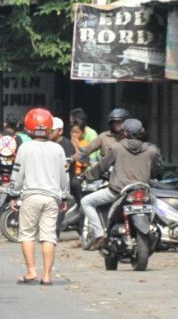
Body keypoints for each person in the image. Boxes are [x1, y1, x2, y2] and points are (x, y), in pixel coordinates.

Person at [10, 108, 69, 286]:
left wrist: (13, 194)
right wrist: (64, 197)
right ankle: (47, 276)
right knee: (48, 236)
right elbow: (63, 176)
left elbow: (17, 173)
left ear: (29, 127)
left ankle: (31, 271)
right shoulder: (58, 149)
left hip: (30, 197)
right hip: (51, 198)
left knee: (27, 234)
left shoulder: (25, 148)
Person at [82, 118, 161, 250]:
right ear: (142, 131)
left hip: (117, 192)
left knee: (86, 202)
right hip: (143, 192)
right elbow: (157, 170)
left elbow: (102, 166)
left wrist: (88, 175)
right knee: (157, 208)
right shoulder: (152, 150)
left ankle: (99, 234)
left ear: (124, 132)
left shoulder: (116, 148)